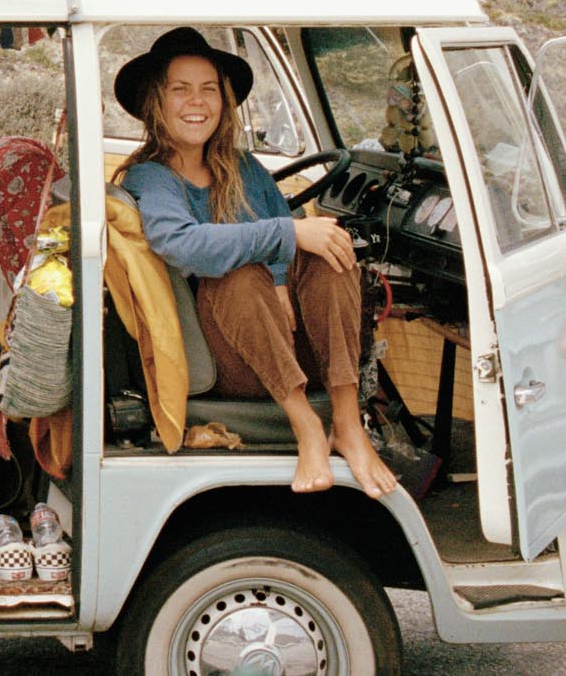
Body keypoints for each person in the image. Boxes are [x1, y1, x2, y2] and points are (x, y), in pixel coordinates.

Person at [112, 27, 400, 499]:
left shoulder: (241, 167)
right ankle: (306, 425)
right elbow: (186, 245)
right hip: (228, 357)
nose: (196, 102)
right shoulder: (151, 177)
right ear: (155, 103)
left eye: (208, 89)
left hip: (285, 342)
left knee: (332, 248)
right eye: (179, 90)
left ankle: (348, 424)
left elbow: (283, 224)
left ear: (224, 101)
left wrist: (285, 280)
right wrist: (286, 236)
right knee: (237, 274)